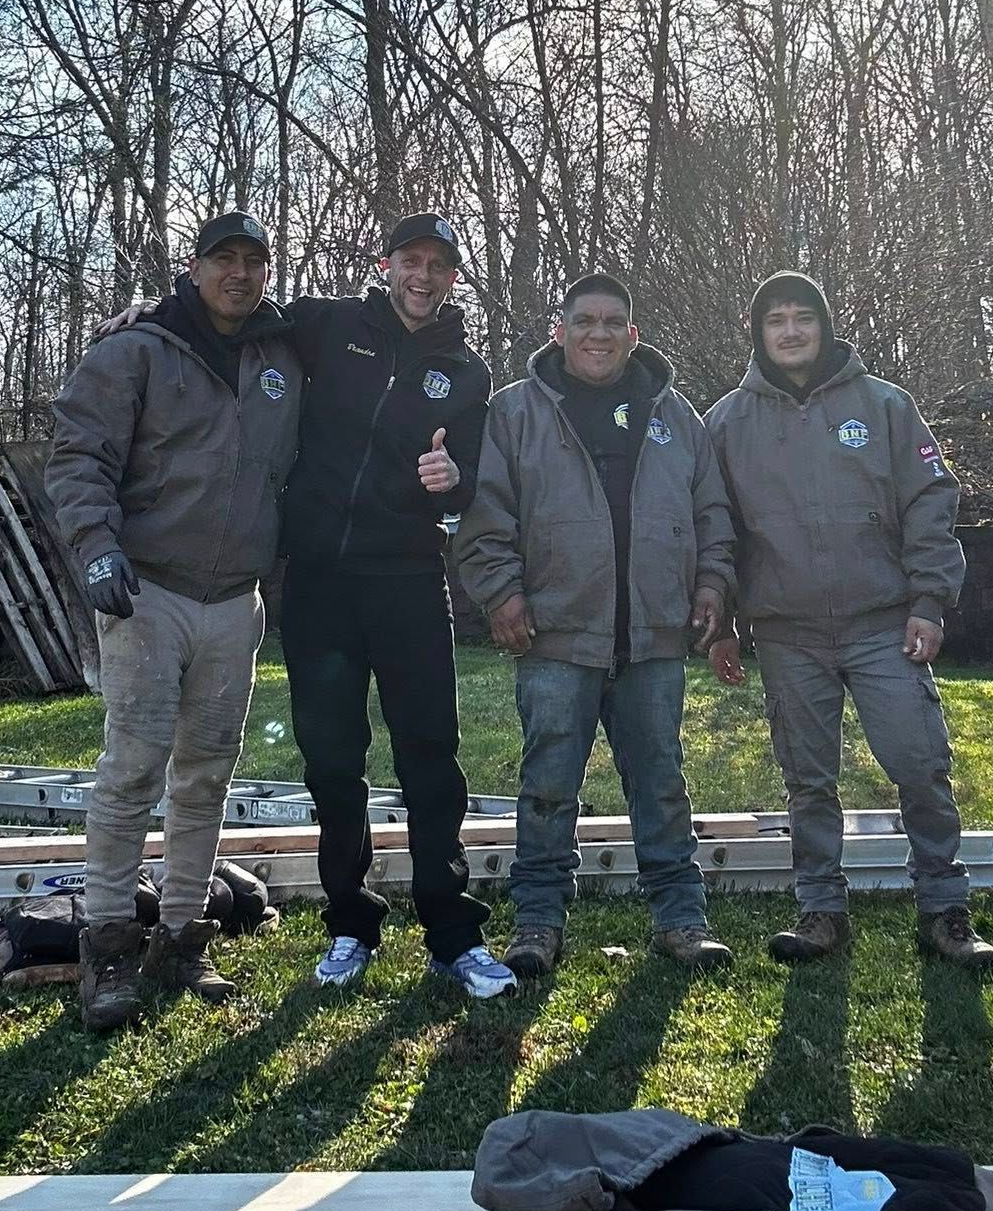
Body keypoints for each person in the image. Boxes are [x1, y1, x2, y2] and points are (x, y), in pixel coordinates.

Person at [46, 211, 303, 1030]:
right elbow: (78, 456)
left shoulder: (283, 357)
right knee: (132, 770)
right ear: (192, 268)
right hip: (147, 591)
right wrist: (95, 549)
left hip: (236, 602)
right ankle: (109, 950)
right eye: (223, 259)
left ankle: (183, 937)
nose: (239, 273)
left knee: (206, 774)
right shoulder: (136, 351)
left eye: (253, 261)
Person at [703, 272, 993, 972]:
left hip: (883, 627)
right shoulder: (726, 423)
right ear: (758, 334)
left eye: (803, 317)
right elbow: (713, 529)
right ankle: (821, 911)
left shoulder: (886, 406)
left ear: (825, 325)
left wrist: (929, 602)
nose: (790, 332)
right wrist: (722, 624)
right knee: (808, 780)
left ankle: (944, 911)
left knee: (920, 765)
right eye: (775, 320)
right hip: (786, 633)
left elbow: (931, 499)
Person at [455, 274, 736, 977]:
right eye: (585, 321)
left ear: (634, 335)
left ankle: (681, 921)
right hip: (555, 637)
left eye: (614, 322)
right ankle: (539, 924)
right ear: (559, 331)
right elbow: (483, 520)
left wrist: (711, 584)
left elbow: (713, 516)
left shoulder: (676, 416)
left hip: (654, 639)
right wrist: (500, 596)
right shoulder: (515, 413)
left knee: (662, 785)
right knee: (547, 787)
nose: (599, 334)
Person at [274, 213, 514, 997]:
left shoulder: (467, 371)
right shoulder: (329, 326)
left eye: (439, 265)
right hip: (317, 584)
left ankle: (452, 933)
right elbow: (234, 317)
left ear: (453, 279)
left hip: (409, 577)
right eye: (411, 260)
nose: (423, 276)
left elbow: (475, 473)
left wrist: (458, 481)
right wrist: (147, 314)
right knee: (332, 758)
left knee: (430, 757)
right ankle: (351, 924)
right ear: (385, 265)